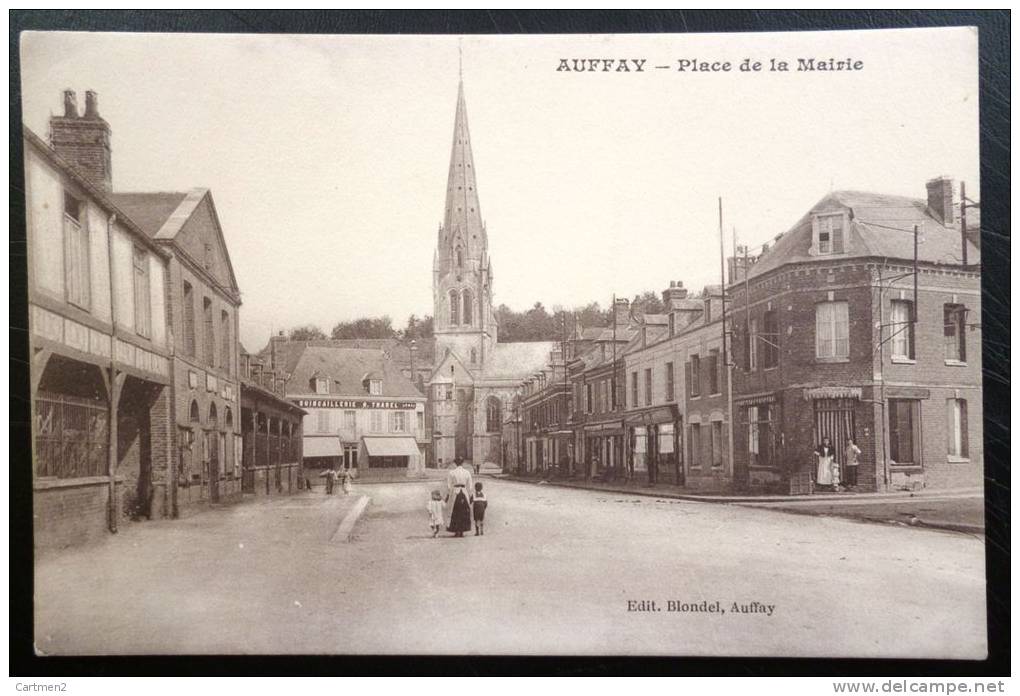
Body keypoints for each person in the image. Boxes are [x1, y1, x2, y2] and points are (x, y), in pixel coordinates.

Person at [445, 456, 474, 537]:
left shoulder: (451, 472)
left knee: (455, 512)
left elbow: (449, 486)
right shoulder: (467, 472)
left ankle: (456, 530)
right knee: (464, 512)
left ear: (455, 463)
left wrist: (448, 496)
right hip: (464, 493)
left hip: (455, 493)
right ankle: (462, 531)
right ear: (462, 463)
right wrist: (470, 495)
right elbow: (470, 485)